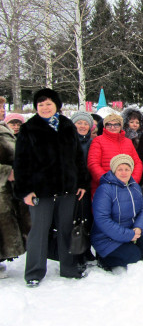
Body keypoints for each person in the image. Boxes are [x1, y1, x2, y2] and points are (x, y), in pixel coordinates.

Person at [14, 89, 88, 287]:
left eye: (48, 104)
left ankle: (69, 267)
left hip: (67, 189)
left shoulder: (66, 126)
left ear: (56, 105)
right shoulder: (29, 129)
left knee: (66, 228)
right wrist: (25, 191)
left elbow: (78, 158)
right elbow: (20, 163)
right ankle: (34, 272)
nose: (45, 108)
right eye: (40, 105)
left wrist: (81, 183)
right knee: (39, 230)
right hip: (40, 191)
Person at [91, 154, 143, 270]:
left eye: (127, 169)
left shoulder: (134, 186)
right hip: (107, 238)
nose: (124, 172)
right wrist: (128, 234)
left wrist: (138, 228)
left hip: (130, 232)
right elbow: (102, 219)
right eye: (120, 169)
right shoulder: (105, 189)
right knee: (134, 255)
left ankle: (132, 254)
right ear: (114, 170)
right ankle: (105, 260)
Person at [0, 119, 30, 279]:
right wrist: (6, 171)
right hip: (4, 183)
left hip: (9, 187)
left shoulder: (4, 128)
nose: (1, 110)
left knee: (6, 226)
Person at [88, 113, 143, 197]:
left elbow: (137, 163)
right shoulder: (98, 141)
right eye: (109, 125)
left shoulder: (128, 142)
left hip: (127, 187)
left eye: (116, 125)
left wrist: (133, 180)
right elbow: (93, 164)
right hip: (105, 188)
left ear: (121, 126)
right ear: (104, 126)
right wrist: (108, 180)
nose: (112, 127)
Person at [71, 111, 96, 264]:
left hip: (88, 186)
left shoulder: (92, 142)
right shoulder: (67, 141)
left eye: (85, 123)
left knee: (87, 218)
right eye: (79, 123)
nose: (82, 126)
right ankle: (75, 251)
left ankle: (86, 249)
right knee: (74, 220)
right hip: (73, 187)